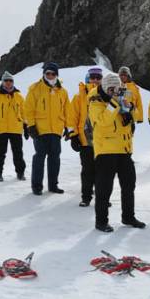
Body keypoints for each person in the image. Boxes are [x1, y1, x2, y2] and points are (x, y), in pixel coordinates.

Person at [88, 72, 145, 232]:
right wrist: (115, 104)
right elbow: (103, 122)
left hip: (124, 149)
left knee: (129, 185)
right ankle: (101, 221)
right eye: (111, 89)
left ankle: (128, 216)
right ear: (105, 88)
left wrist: (130, 109)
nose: (115, 91)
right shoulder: (95, 101)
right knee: (104, 188)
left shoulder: (122, 99)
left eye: (117, 88)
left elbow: (138, 116)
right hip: (105, 150)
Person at [24, 62, 70, 195]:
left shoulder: (63, 91)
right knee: (39, 157)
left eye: (53, 74)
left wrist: (68, 127)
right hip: (40, 130)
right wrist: (31, 126)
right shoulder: (35, 89)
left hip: (56, 130)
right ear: (44, 74)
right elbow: (29, 109)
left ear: (56, 75)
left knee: (55, 158)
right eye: (47, 73)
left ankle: (53, 185)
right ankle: (37, 186)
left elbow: (67, 110)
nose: (50, 76)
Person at [67, 67, 103, 206]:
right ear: (88, 78)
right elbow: (71, 118)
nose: (95, 80)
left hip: (102, 140)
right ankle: (86, 197)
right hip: (85, 140)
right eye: (92, 77)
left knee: (102, 171)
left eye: (98, 77)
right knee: (87, 170)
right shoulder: (78, 97)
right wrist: (73, 136)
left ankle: (102, 197)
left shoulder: (106, 95)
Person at [0, 71, 26, 181]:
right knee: (0, 152)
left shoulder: (19, 97)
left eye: (10, 81)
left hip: (16, 129)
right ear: (2, 82)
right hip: (1, 129)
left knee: (18, 152)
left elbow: (24, 112)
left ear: (13, 82)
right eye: (6, 81)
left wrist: (26, 125)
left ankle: (20, 173)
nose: (8, 83)